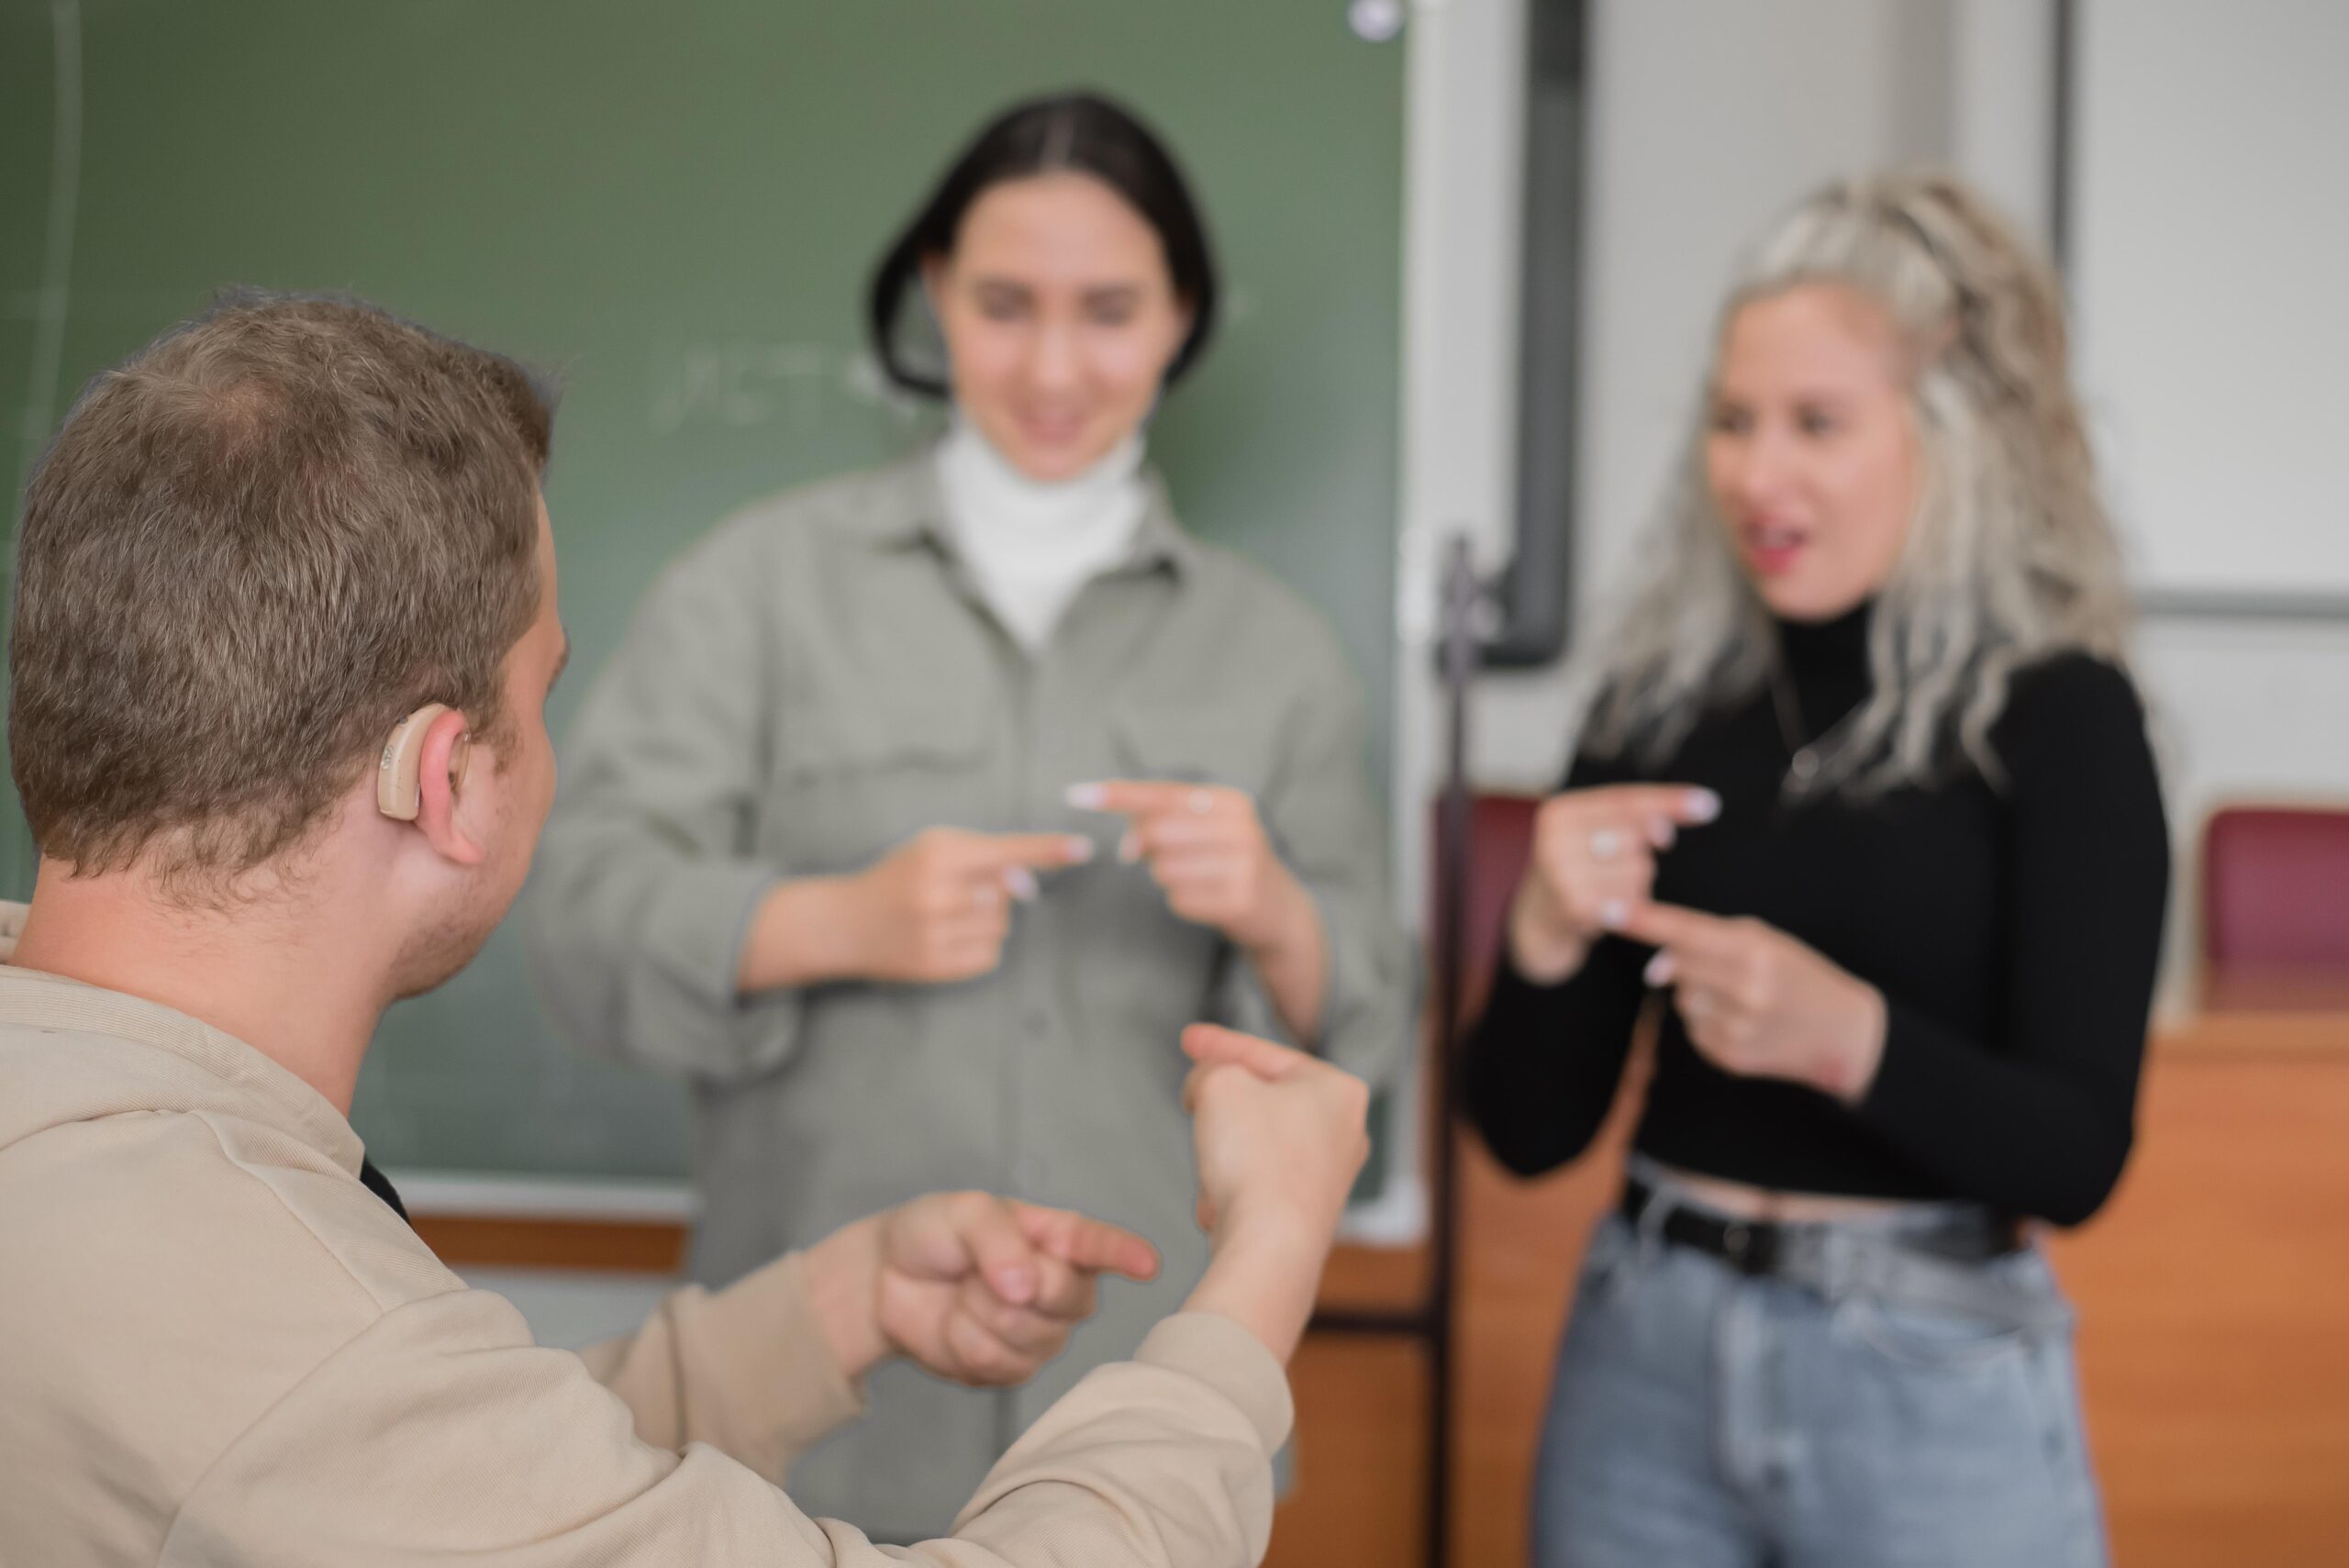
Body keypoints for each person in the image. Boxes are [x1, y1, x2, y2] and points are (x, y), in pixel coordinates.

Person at [0, 291, 1374, 1568]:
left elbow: (424, 1469)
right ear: (445, 778)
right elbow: (340, 1417)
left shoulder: (109, 1179)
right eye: (547, 693)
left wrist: (835, 1308)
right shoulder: (252, 1306)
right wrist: (1265, 1257)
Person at [522, 90, 1412, 1533]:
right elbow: (572, 920)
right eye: (1004, 304)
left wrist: (1279, 913)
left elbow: (1360, 1061)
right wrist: (831, 918)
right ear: (935, 292)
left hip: (1147, 1437)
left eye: (1110, 310)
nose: (1054, 364)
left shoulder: (1281, 655)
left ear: (1185, 315)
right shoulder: (754, 591)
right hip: (811, 1445)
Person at [1459, 172, 2169, 1568]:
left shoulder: (2063, 716)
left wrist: (1853, 1042)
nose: (1755, 475)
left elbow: (2079, 1154)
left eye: (1816, 425)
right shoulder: (1658, 711)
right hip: (1642, 1355)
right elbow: (1527, 1132)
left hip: (1932, 1375)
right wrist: (1542, 932)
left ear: (1956, 442)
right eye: (1732, 422)